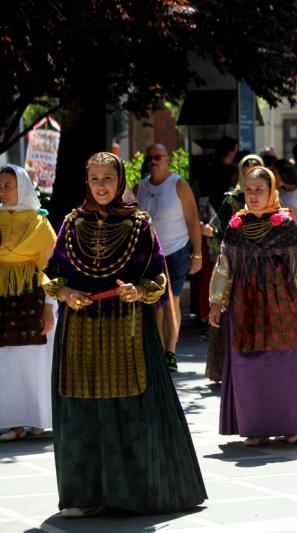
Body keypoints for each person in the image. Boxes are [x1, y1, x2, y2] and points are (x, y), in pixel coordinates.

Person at [43, 152, 206, 517]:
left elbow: (159, 278)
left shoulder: (139, 225)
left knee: (131, 411)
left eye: (108, 179)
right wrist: (66, 293)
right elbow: (49, 274)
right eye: (95, 179)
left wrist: (138, 292)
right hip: (79, 334)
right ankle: (84, 496)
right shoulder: (70, 225)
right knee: (82, 411)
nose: (101, 186)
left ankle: (135, 493)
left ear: (120, 183)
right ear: (88, 182)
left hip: (126, 330)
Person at [209, 166, 297, 445]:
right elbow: (224, 268)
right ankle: (255, 427)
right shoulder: (235, 227)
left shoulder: (286, 225)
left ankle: (291, 424)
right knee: (249, 365)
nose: (253, 196)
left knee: (286, 363)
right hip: (246, 306)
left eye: (259, 190)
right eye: (248, 191)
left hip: (284, 305)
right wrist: (217, 301)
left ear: (271, 192)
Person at [0, 165, 57, 441]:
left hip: (32, 299)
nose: (3, 191)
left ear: (21, 187)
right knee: (7, 363)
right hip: (3, 299)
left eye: (8, 185)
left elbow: (51, 267)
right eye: (0, 186)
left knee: (34, 361)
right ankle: (14, 423)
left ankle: (37, 419)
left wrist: (48, 306)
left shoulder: (39, 223)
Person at [136, 143, 202, 372]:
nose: (153, 161)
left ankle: (170, 352)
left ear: (167, 159)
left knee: (172, 302)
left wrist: (198, 254)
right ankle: (159, 350)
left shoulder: (179, 185)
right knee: (155, 304)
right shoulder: (141, 187)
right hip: (151, 254)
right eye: (150, 157)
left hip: (176, 251)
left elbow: (193, 221)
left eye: (158, 157)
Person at [204, 154, 263, 383]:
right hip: (236, 264)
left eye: (255, 168)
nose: (250, 171)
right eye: (246, 168)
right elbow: (218, 227)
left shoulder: (273, 199)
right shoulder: (232, 200)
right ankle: (228, 370)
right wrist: (210, 230)